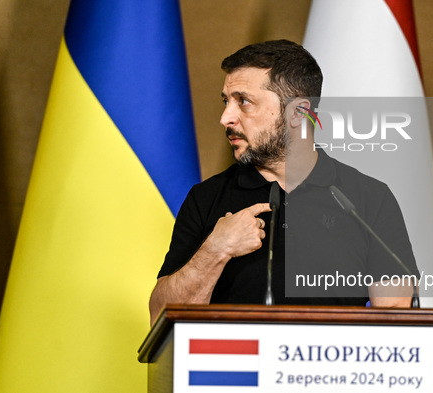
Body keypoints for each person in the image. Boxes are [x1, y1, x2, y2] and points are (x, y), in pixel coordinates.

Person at [149, 40, 419, 324]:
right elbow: (160, 319)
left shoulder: (367, 198)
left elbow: (396, 317)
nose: (225, 118)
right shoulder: (206, 198)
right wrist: (217, 249)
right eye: (226, 101)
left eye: (244, 101)